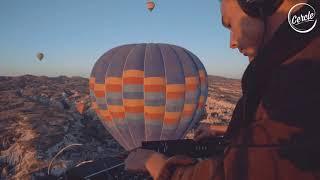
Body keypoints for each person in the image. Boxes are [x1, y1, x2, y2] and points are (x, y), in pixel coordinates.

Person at [125, 0, 320, 179]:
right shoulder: (295, 62)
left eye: (230, 24)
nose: (232, 42)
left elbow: (242, 172)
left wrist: (157, 165)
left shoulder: (301, 72)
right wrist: (227, 136)